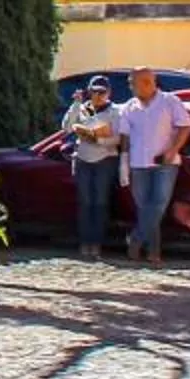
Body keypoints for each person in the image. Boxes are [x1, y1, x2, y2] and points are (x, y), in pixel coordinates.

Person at [117, 68, 190, 265]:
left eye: (132, 83)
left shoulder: (170, 101)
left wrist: (172, 150)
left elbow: (185, 127)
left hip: (164, 163)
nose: (130, 87)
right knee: (145, 208)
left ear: (147, 82)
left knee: (158, 204)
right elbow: (125, 136)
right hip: (138, 163)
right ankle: (153, 252)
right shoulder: (129, 107)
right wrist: (124, 162)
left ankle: (135, 239)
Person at [60, 77, 122, 257]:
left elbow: (119, 138)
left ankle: (97, 243)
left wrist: (98, 139)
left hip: (105, 159)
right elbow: (67, 128)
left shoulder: (114, 111)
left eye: (101, 92)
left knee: (100, 202)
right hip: (83, 159)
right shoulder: (83, 108)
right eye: (94, 91)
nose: (97, 95)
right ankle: (85, 242)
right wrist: (75, 104)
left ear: (108, 93)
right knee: (85, 203)